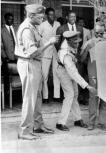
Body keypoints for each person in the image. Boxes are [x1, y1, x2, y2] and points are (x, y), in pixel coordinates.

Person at [16, 4, 59, 140]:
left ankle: (38, 125)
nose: (42, 19)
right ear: (31, 16)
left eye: (42, 16)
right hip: (29, 63)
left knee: (37, 97)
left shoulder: (33, 26)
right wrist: (49, 43)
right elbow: (33, 52)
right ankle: (24, 131)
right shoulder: (27, 30)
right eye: (40, 17)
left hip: (35, 64)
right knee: (29, 99)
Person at [56, 31, 97, 131]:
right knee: (69, 95)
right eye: (75, 42)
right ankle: (60, 123)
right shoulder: (65, 53)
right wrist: (87, 86)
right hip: (63, 71)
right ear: (68, 41)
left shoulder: (70, 44)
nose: (77, 44)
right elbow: (73, 73)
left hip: (70, 69)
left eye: (78, 42)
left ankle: (77, 119)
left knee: (75, 94)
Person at [81, 23, 106, 131]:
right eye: (97, 33)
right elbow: (82, 59)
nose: (99, 35)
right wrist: (87, 48)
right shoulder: (89, 42)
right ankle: (91, 122)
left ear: (104, 32)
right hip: (94, 72)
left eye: (101, 33)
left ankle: (101, 122)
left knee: (105, 97)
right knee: (93, 97)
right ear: (93, 32)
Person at [38, 7, 61, 103]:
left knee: (57, 74)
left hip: (56, 52)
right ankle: (45, 96)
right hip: (45, 53)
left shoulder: (58, 24)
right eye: (50, 15)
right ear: (46, 16)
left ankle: (57, 96)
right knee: (45, 75)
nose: (52, 16)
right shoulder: (42, 25)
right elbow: (38, 39)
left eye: (53, 14)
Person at [1, 12, 18, 103]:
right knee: (7, 78)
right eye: (9, 19)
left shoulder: (16, 29)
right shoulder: (1, 30)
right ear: (5, 19)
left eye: (12, 19)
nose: (10, 21)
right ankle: (7, 97)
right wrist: (5, 57)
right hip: (7, 59)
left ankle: (18, 96)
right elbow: (1, 47)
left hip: (17, 57)